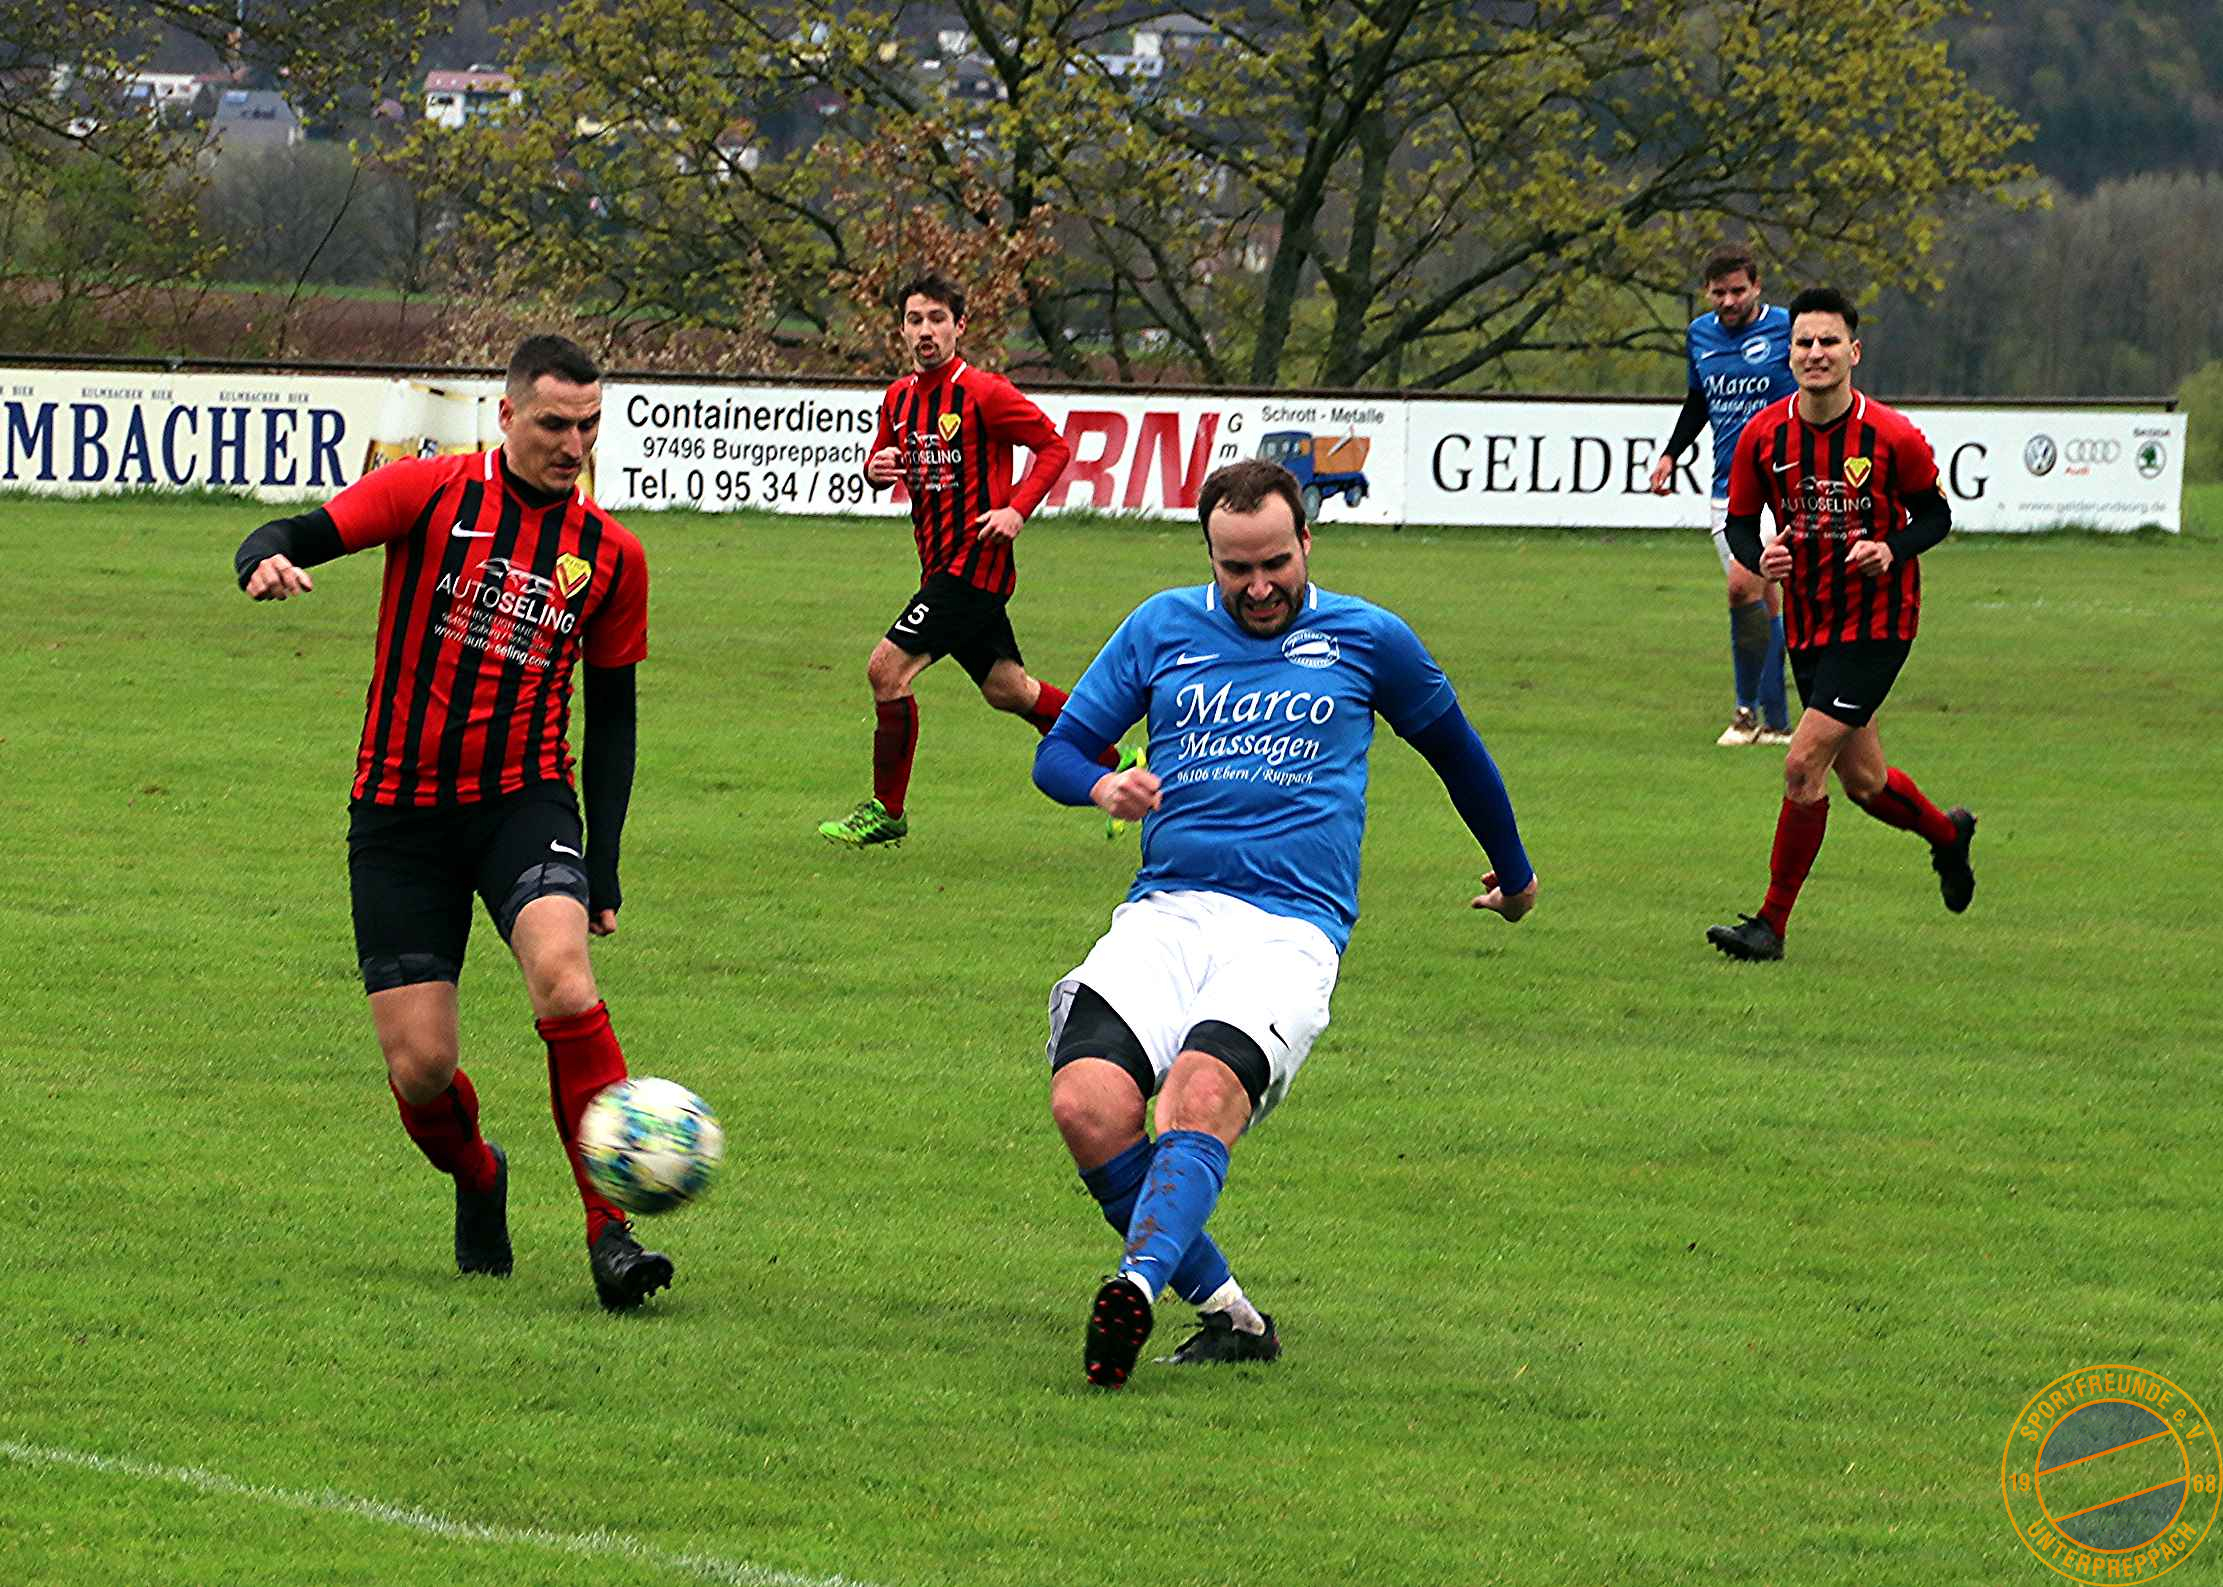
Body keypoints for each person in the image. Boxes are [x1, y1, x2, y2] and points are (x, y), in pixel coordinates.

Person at [1032, 459, 1539, 1388]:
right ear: (1209, 558)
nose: (1259, 586)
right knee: (1086, 1106)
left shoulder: (1368, 638)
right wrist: (1101, 784)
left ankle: (1134, 1287)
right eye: (1237, 569)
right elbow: (1057, 751)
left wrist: (1515, 876)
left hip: (1288, 929)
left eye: (1275, 563)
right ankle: (1232, 1318)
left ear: (1307, 541)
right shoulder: (1160, 626)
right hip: (1165, 913)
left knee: (1196, 1098)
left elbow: (1458, 755)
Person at [233, 334, 679, 1310]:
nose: (574, 445)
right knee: (422, 1067)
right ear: (507, 414)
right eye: (554, 423)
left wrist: (602, 863)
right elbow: (294, 530)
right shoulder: (429, 493)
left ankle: (611, 1231)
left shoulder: (611, 555)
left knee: (565, 982)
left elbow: (615, 721)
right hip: (398, 817)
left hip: (525, 801)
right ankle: (479, 1174)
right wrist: (264, 559)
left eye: (590, 426)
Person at [1705, 287, 1977, 962]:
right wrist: (1757, 557)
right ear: (1789, 353)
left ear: (1853, 352)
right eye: (1804, 342)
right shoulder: (1764, 436)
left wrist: (1891, 548)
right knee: (1865, 783)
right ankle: (1947, 836)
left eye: (1829, 341)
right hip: (1808, 624)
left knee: (1802, 765)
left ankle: (1769, 926)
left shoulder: (1890, 435)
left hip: (1879, 624)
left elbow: (1935, 515)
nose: (1815, 353)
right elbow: (1739, 524)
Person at [819, 271, 1126, 847]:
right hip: (939, 565)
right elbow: (883, 457)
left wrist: (1016, 510)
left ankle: (887, 810)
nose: (926, 330)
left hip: (974, 567)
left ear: (959, 326)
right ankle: (1116, 759)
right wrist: (874, 468)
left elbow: (1053, 447)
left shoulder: (984, 392)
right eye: (915, 320)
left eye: (937, 319)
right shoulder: (899, 399)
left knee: (886, 670)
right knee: (1008, 689)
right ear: (902, 329)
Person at [1647, 244, 1799, 747]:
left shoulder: (1787, 328)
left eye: (1738, 290)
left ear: (1757, 287)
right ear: (1707, 293)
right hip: (1728, 486)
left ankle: (1744, 714)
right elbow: (1699, 402)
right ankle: (1776, 723)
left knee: (1741, 588)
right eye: (1719, 292)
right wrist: (1671, 453)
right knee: (1763, 600)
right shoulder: (1700, 334)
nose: (1729, 301)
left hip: (1782, 485)